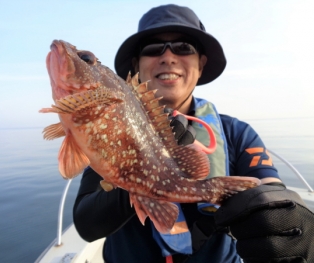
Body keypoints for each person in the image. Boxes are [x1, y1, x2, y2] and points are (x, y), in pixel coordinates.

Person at [73, 4, 314, 263]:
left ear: (201, 64)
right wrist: (145, 168)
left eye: (184, 47)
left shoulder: (237, 134)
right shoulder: (111, 130)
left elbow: (269, 195)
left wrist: (293, 226)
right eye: (153, 49)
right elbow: (87, 226)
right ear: (136, 65)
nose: (168, 57)